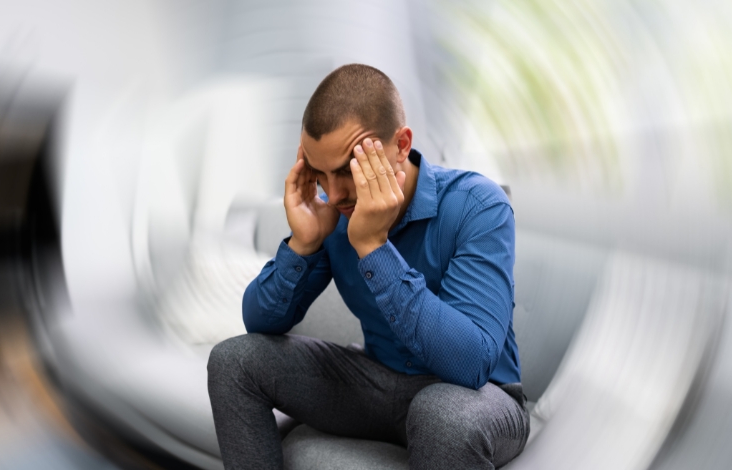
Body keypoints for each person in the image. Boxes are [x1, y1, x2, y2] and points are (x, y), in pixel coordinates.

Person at [207, 64, 528, 469]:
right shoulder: (335, 213)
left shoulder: (478, 205)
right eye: (320, 174)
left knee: (442, 414)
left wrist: (374, 246)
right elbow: (260, 322)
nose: (336, 193)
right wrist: (303, 243)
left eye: (347, 170)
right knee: (233, 361)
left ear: (401, 144)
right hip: (377, 383)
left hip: (479, 399)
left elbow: (471, 363)